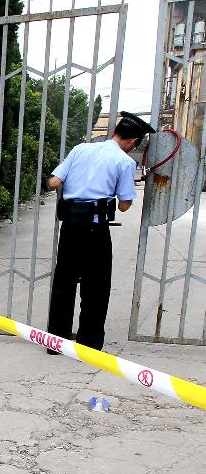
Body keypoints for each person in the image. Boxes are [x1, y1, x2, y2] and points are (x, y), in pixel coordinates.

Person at [45, 111, 155, 354]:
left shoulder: (80, 149)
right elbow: (125, 205)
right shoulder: (125, 162)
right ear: (134, 142)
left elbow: (53, 182)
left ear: (115, 131)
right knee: (96, 287)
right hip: (95, 229)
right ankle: (89, 345)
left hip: (71, 225)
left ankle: (55, 343)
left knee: (64, 282)